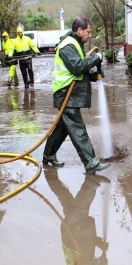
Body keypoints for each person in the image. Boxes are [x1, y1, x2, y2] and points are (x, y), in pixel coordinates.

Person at [42, 17, 110, 174]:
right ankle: (91, 162)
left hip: (69, 93)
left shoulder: (75, 44)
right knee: (78, 129)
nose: (90, 35)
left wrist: (93, 75)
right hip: (66, 94)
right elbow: (77, 67)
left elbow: (79, 73)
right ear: (79, 30)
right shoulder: (68, 46)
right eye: (88, 32)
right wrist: (96, 58)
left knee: (63, 129)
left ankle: (48, 155)